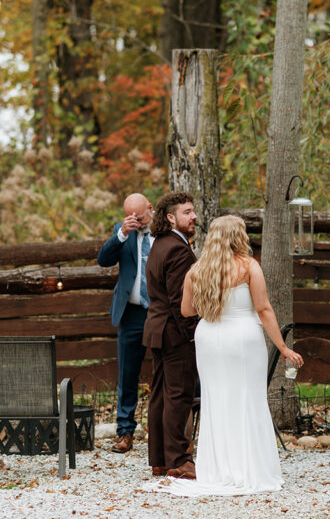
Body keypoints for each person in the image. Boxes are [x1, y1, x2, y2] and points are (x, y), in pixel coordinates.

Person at [155, 215, 303, 496]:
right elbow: (264, 309)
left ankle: (218, 468)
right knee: (248, 399)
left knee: (217, 401)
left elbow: (186, 311)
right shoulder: (248, 266)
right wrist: (283, 347)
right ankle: (249, 469)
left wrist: (213, 304)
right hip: (243, 338)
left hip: (209, 338)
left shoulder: (197, 271)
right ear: (239, 236)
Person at [143, 192, 200, 479]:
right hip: (175, 332)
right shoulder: (178, 249)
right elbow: (181, 303)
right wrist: (194, 335)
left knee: (160, 397)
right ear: (170, 217)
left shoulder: (160, 245)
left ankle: (160, 461)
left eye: (193, 211)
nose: (194, 216)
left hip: (157, 328)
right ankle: (178, 460)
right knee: (178, 396)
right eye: (187, 212)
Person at [97, 193, 155, 454]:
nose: (136, 222)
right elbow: (103, 260)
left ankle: (164, 430)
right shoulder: (121, 232)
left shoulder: (165, 234)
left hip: (158, 312)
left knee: (166, 370)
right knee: (127, 374)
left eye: (140, 217)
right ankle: (125, 432)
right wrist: (121, 233)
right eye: (130, 217)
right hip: (130, 314)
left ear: (150, 209)